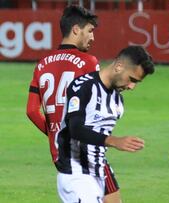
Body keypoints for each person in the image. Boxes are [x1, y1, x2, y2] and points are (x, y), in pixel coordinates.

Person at [26, 5, 120, 202]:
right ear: (76, 29)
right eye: (90, 31)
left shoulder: (42, 64)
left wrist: (57, 133)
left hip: (59, 152)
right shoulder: (88, 62)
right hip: (84, 151)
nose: (93, 38)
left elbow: (32, 111)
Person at [55, 45, 154, 202]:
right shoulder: (83, 86)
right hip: (76, 172)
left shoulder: (117, 100)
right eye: (132, 79)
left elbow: (96, 144)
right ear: (119, 66)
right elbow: (76, 129)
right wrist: (114, 141)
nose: (132, 87)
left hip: (100, 168)